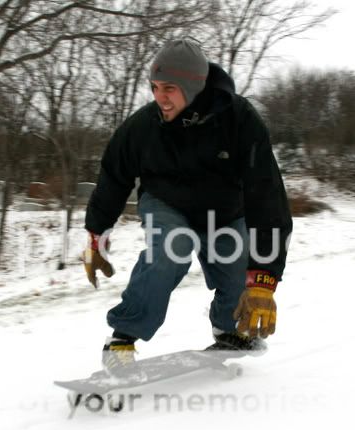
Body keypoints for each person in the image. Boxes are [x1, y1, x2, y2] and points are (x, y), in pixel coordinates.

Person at [83, 39, 292, 377]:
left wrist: (264, 280)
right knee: (171, 249)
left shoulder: (240, 120)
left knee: (241, 271)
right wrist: (96, 235)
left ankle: (229, 331)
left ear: (194, 86)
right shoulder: (143, 127)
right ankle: (121, 340)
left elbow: (266, 196)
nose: (160, 97)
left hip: (225, 210)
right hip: (166, 203)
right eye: (154, 87)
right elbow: (113, 180)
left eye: (169, 88)